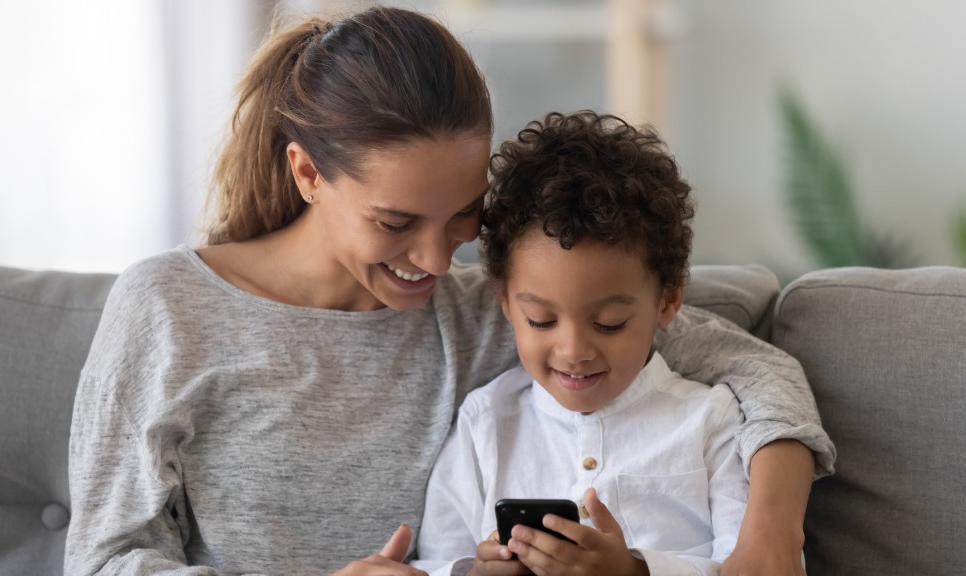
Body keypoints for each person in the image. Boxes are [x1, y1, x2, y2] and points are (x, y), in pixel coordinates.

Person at [64, 6, 834, 576]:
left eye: (464, 213)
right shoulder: (167, 308)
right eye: (396, 220)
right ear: (308, 174)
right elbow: (103, 561)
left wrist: (766, 540)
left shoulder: (495, 317)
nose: (435, 259)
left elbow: (759, 370)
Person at [416, 110, 751, 576]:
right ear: (507, 303)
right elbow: (432, 560)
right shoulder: (484, 423)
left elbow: (755, 563)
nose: (573, 350)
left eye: (610, 323)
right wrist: (473, 572)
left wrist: (635, 572)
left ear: (668, 301)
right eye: (541, 319)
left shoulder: (710, 421)